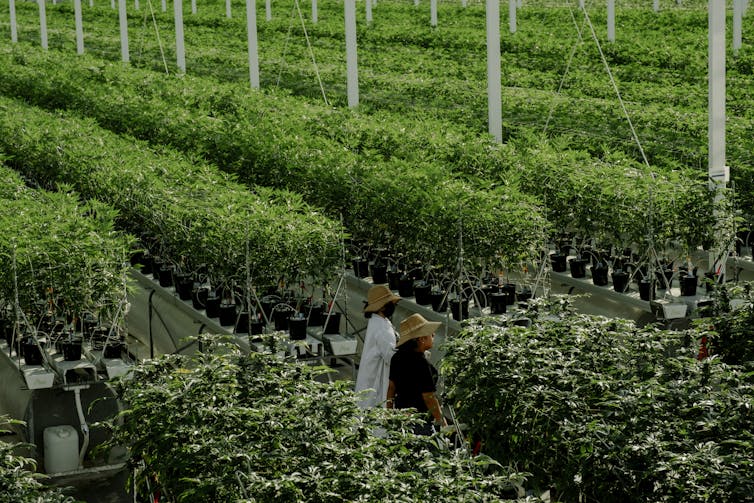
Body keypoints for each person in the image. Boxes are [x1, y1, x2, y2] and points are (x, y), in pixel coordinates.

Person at [387, 313, 447, 434]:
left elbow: (391, 388)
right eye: (431, 334)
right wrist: (441, 421)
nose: (433, 335)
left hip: (402, 417)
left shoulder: (397, 357)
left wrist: (388, 413)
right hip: (420, 421)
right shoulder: (421, 363)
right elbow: (429, 397)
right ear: (422, 339)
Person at [354, 284, 401, 409]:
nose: (393, 306)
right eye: (391, 303)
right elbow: (392, 358)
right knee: (375, 411)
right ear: (383, 306)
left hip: (371, 375)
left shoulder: (378, 321)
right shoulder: (382, 329)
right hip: (377, 379)